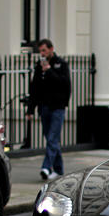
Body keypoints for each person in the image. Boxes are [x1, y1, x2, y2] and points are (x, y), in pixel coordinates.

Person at [26, 39, 71, 181]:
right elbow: (35, 89)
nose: (42, 54)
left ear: (51, 49)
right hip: (44, 107)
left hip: (57, 108)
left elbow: (65, 84)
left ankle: (46, 167)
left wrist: (49, 71)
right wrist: (30, 109)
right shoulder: (39, 66)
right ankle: (58, 170)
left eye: (44, 50)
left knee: (52, 138)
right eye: (40, 51)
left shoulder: (60, 64)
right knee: (51, 139)